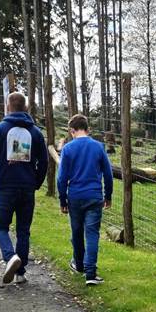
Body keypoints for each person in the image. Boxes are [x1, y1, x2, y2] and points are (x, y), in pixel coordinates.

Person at [0, 92, 48, 286]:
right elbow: (45, 162)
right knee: (24, 230)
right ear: (25, 108)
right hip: (27, 188)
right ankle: (21, 273)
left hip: (5, 187)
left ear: (8, 107)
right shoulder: (36, 133)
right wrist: (36, 182)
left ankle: (10, 257)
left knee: (0, 227)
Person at [57, 115, 113, 285]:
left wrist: (62, 200)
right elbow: (108, 174)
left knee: (76, 232)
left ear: (72, 131)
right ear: (87, 129)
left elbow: (61, 179)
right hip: (94, 197)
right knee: (92, 233)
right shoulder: (98, 147)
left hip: (75, 197)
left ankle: (79, 264)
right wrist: (108, 195)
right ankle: (91, 273)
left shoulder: (67, 149)